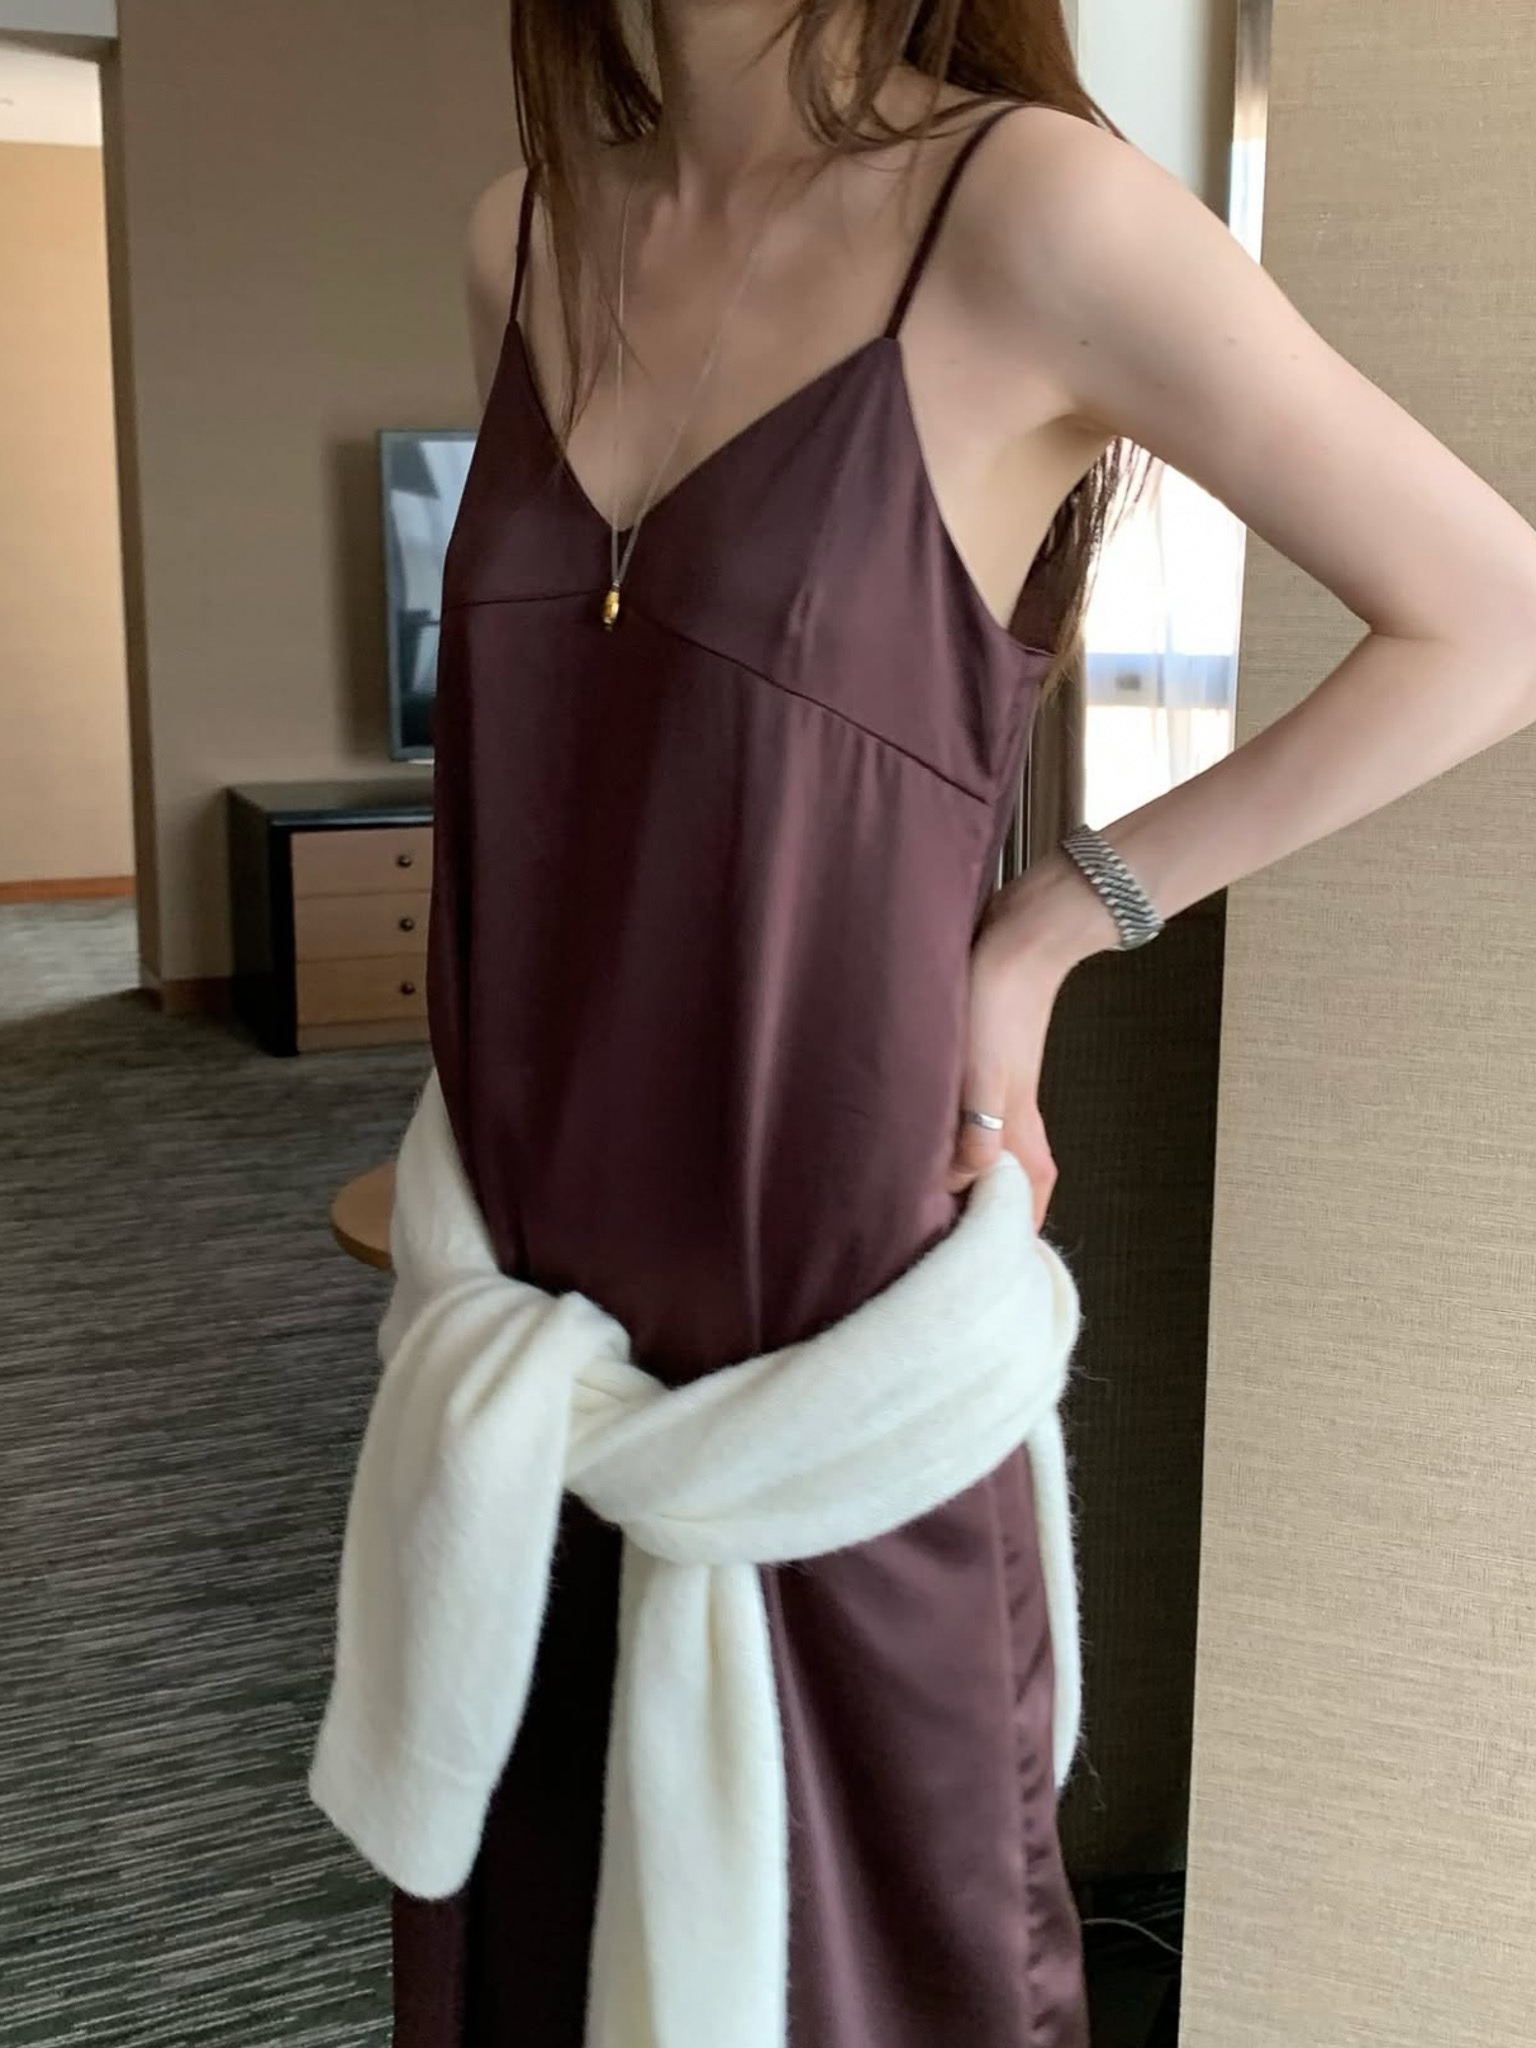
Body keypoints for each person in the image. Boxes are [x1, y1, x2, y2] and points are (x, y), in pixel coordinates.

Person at [391, 3, 1536, 2043]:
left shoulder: (1027, 214)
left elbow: (1492, 614)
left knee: (884, 1983)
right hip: (525, 1355)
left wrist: (1052, 929)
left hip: (838, 1367)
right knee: (541, 1954)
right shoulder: (523, 232)